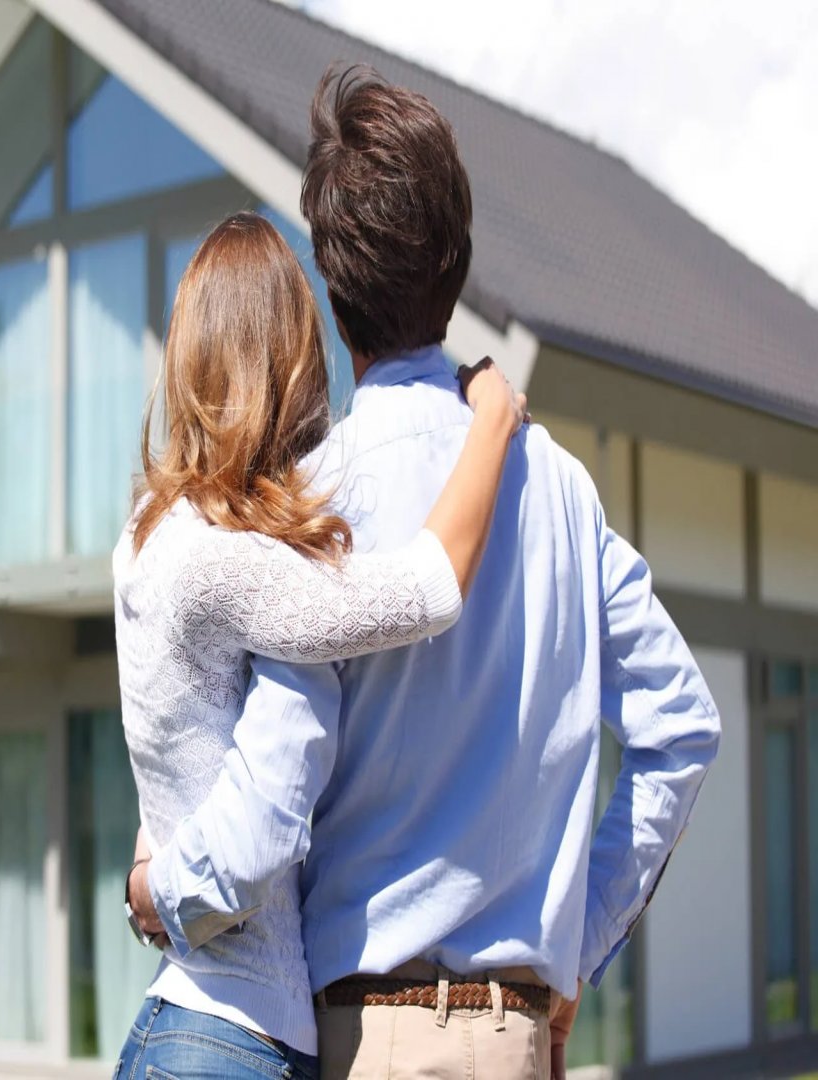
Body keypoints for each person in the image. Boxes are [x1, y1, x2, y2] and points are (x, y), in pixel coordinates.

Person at [129, 67, 721, 1080]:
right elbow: (683, 726)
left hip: (369, 1038)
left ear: (332, 277)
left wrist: (161, 893)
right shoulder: (565, 492)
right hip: (521, 1036)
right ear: (459, 259)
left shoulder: (309, 506)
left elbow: (275, 786)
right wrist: (572, 949)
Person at [113, 210, 527, 1079]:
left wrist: (149, 881)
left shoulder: (153, 538)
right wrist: (490, 413)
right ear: (294, 364)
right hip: (223, 1035)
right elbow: (430, 584)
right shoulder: (232, 565)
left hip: (195, 1025)